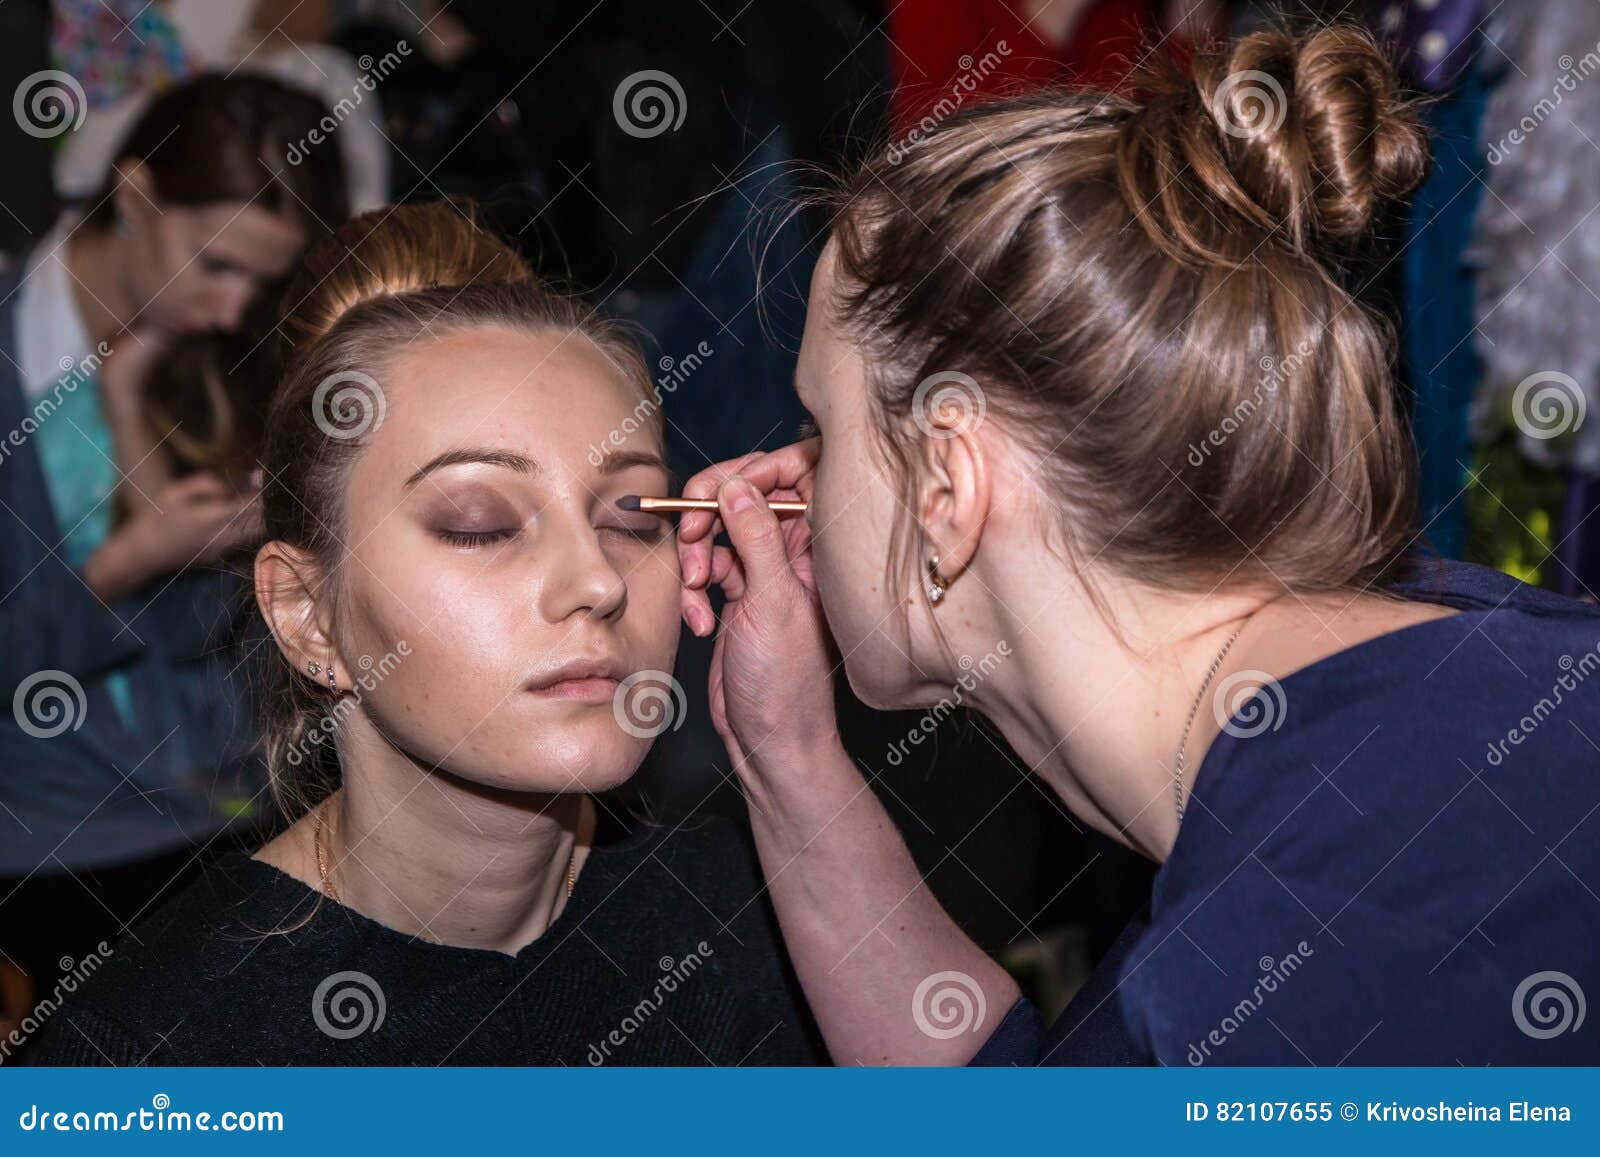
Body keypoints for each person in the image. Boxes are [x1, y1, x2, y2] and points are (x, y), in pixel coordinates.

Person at [675, 25, 1600, 1065]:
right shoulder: (1434, 688)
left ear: (947, 489)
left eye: (822, 427)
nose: (793, 474)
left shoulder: (1295, 961)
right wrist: (785, 754)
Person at [23, 202, 820, 1066]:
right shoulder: (136, 1062)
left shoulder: (776, 912)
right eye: (479, 525)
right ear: (306, 612)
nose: (596, 579)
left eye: (633, 517)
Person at [0, 72, 346, 1018]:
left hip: (233, 801)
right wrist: (131, 557)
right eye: (214, 262)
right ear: (135, 193)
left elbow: (232, 649)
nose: (235, 307)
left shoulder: (237, 351)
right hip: (56, 828)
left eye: (260, 278)